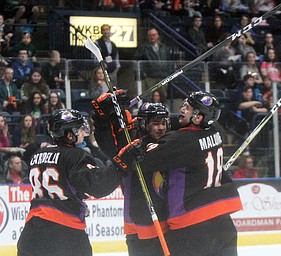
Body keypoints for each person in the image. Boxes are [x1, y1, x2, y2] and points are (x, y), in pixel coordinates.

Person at [17, 109, 144, 256]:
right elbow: (98, 187)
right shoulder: (75, 155)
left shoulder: (37, 155)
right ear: (69, 135)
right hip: (64, 234)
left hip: (30, 234)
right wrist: (122, 163)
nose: (83, 133)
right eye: (80, 129)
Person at [138, 91, 242, 256]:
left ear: (198, 117)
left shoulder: (180, 141)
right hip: (223, 223)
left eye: (186, 107)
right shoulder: (215, 131)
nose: (181, 109)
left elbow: (143, 162)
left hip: (192, 224)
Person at [93, 94, 170, 256]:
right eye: (155, 123)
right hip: (139, 221)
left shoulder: (170, 142)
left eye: (163, 123)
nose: (161, 127)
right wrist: (103, 117)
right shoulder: (132, 146)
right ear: (143, 124)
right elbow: (108, 145)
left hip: (168, 221)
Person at [133, 27, 170, 97]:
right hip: (150, 77)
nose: (152, 37)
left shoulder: (164, 47)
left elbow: (168, 60)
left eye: (154, 35)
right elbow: (137, 60)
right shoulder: (143, 48)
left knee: (163, 96)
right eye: (150, 35)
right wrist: (143, 73)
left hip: (163, 76)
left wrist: (167, 72)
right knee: (150, 96)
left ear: (158, 35)